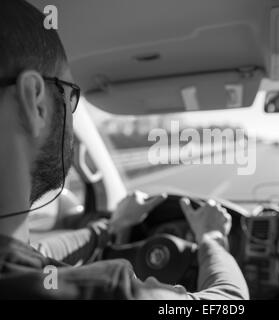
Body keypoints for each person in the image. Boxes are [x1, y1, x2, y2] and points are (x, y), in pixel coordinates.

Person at [0, 0, 248, 299]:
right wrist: (212, 238)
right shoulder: (108, 290)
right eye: (69, 95)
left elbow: (33, 252)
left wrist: (113, 225)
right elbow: (229, 302)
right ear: (35, 101)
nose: (70, 113)